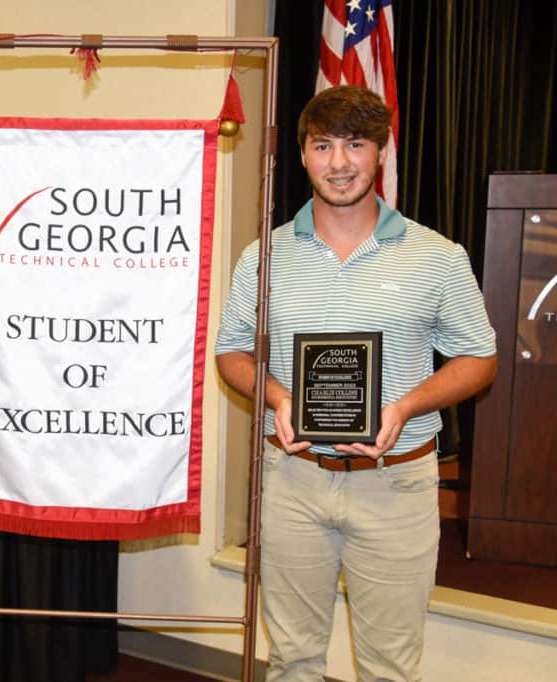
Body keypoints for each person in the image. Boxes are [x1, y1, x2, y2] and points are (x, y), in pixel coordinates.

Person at [216, 85, 496, 681]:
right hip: (290, 482)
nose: (338, 162)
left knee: (389, 668)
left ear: (380, 153)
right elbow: (233, 352)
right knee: (292, 660)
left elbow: (479, 357)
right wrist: (279, 397)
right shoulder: (262, 257)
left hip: (396, 485)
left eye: (355, 144)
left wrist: (406, 405)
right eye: (322, 145)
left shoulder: (437, 256)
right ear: (302, 155)